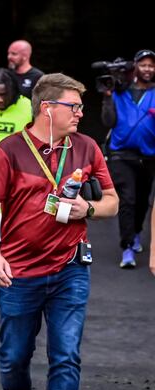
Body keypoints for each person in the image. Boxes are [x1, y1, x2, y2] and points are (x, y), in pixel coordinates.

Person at [0, 73, 119, 390]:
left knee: (66, 356)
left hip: (71, 267)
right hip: (19, 271)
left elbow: (112, 201)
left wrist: (86, 209)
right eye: (73, 106)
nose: (80, 113)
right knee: (13, 358)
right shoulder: (10, 151)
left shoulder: (86, 147)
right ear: (47, 108)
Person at [101, 49, 155, 269]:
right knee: (127, 199)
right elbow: (108, 121)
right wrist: (106, 98)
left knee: (143, 201)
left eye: (152, 65)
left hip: (149, 155)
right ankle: (127, 246)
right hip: (120, 154)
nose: (148, 69)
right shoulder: (119, 92)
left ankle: (136, 233)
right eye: (144, 65)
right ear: (135, 67)